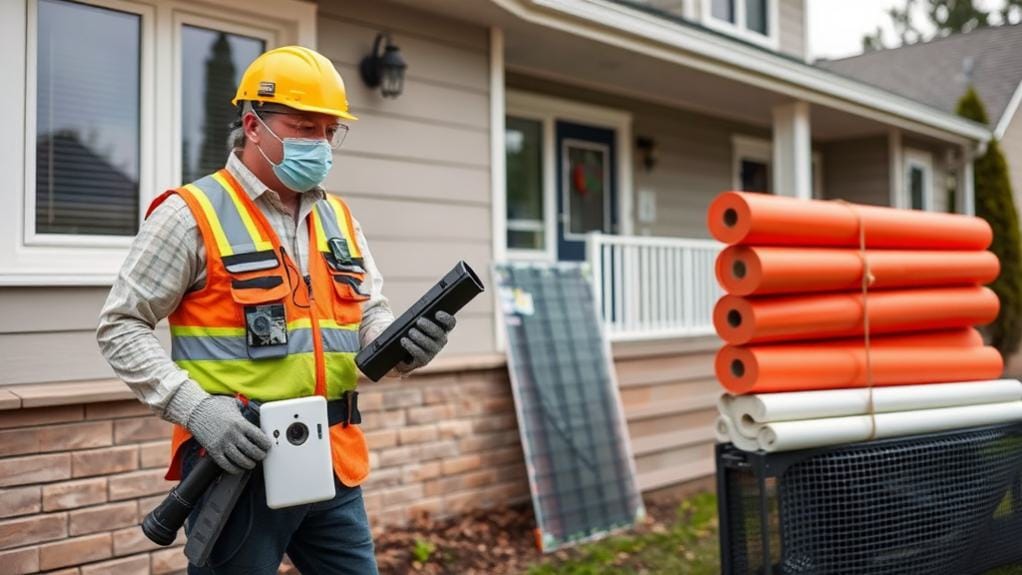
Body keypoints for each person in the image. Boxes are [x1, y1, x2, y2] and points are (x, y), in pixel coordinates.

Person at [96, 45, 456, 574]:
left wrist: (400, 345)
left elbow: (366, 312)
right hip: (237, 463)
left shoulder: (339, 217)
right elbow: (120, 326)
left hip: (333, 461)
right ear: (253, 125)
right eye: (305, 127)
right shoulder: (190, 213)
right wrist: (197, 411)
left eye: (330, 131)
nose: (322, 144)